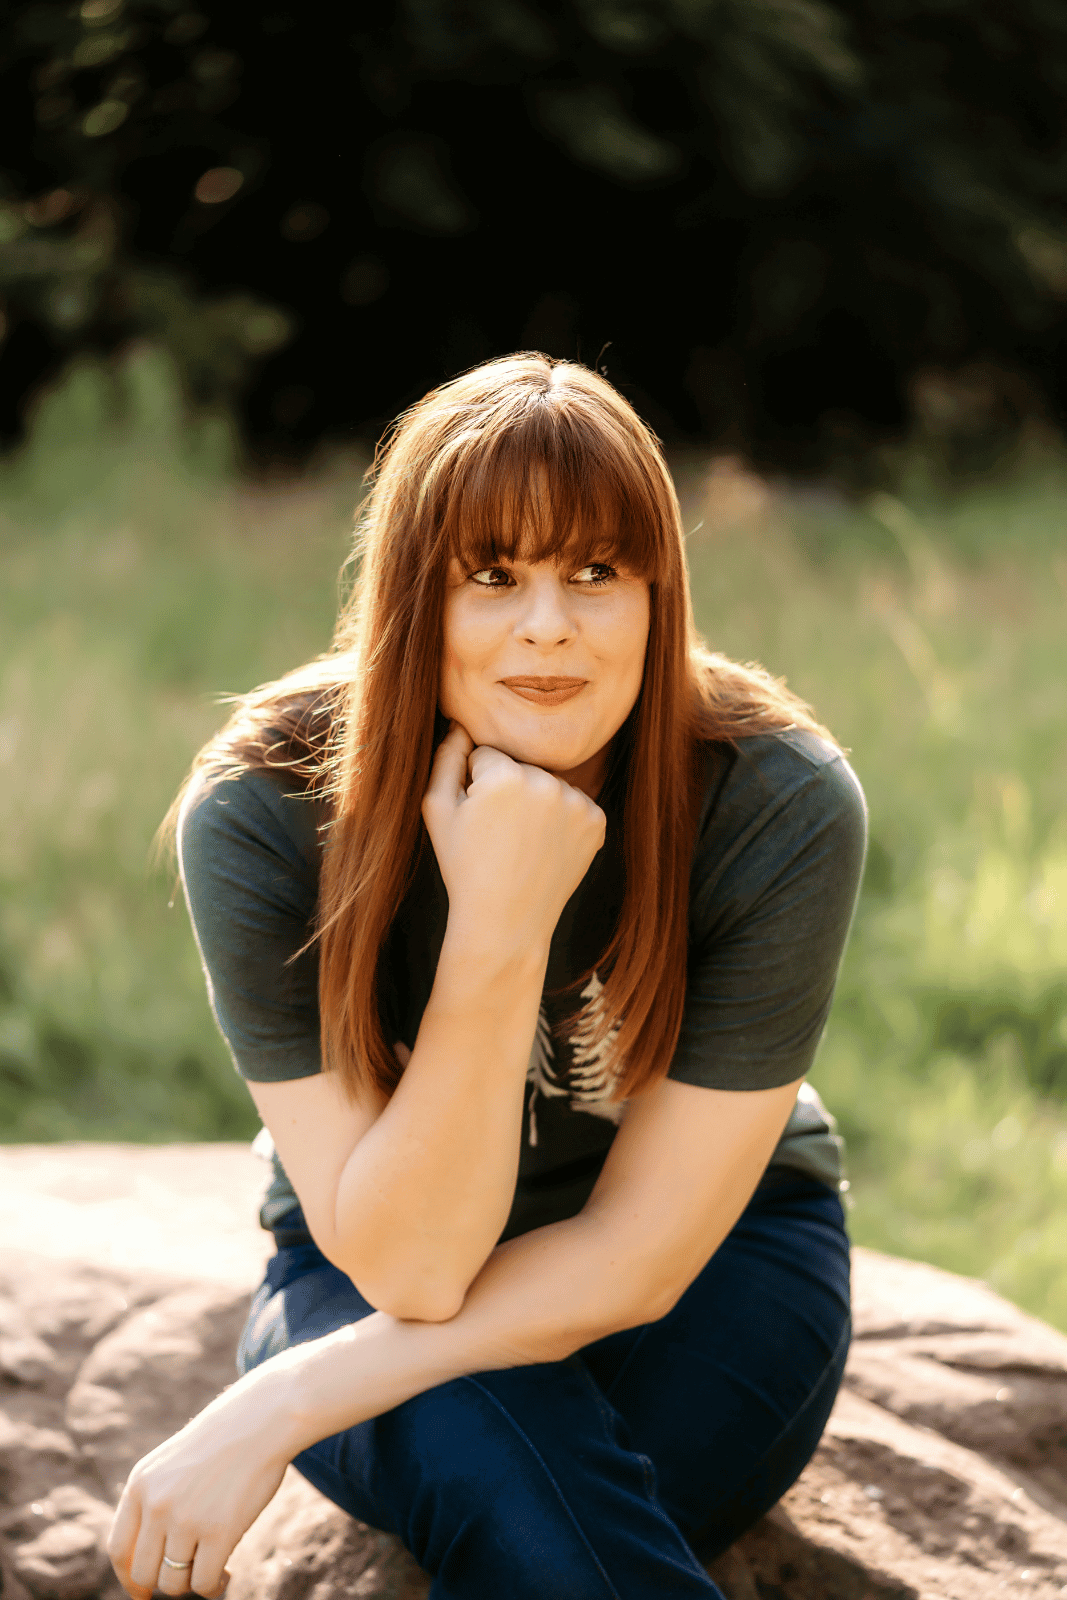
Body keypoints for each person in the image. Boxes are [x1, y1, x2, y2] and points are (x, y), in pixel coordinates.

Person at [107, 354, 867, 1600]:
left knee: (539, 1533)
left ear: (656, 593)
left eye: (595, 572)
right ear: (414, 595)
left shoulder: (772, 798)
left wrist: (284, 1396)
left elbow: (635, 1257)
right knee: (528, 1515)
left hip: (717, 1259)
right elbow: (406, 1272)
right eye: (491, 575)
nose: (548, 626)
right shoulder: (265, 808)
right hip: (359, 1265)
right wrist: (498, 922)